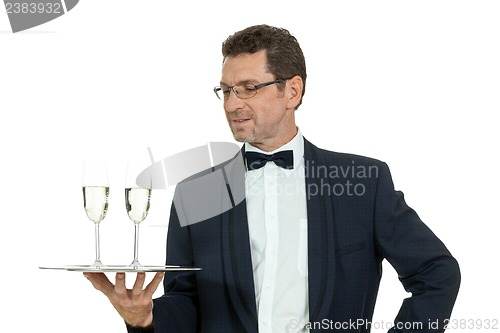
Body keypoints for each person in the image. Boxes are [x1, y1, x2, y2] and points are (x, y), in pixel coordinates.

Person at [85, 24, 460, 332]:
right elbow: (186, 302)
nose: (233, 104)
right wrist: (145, 318)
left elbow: (437, 273)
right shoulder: (197, 193)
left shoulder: (362, 181)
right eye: (227, 90)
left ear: (291, 91)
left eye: (249, 88)